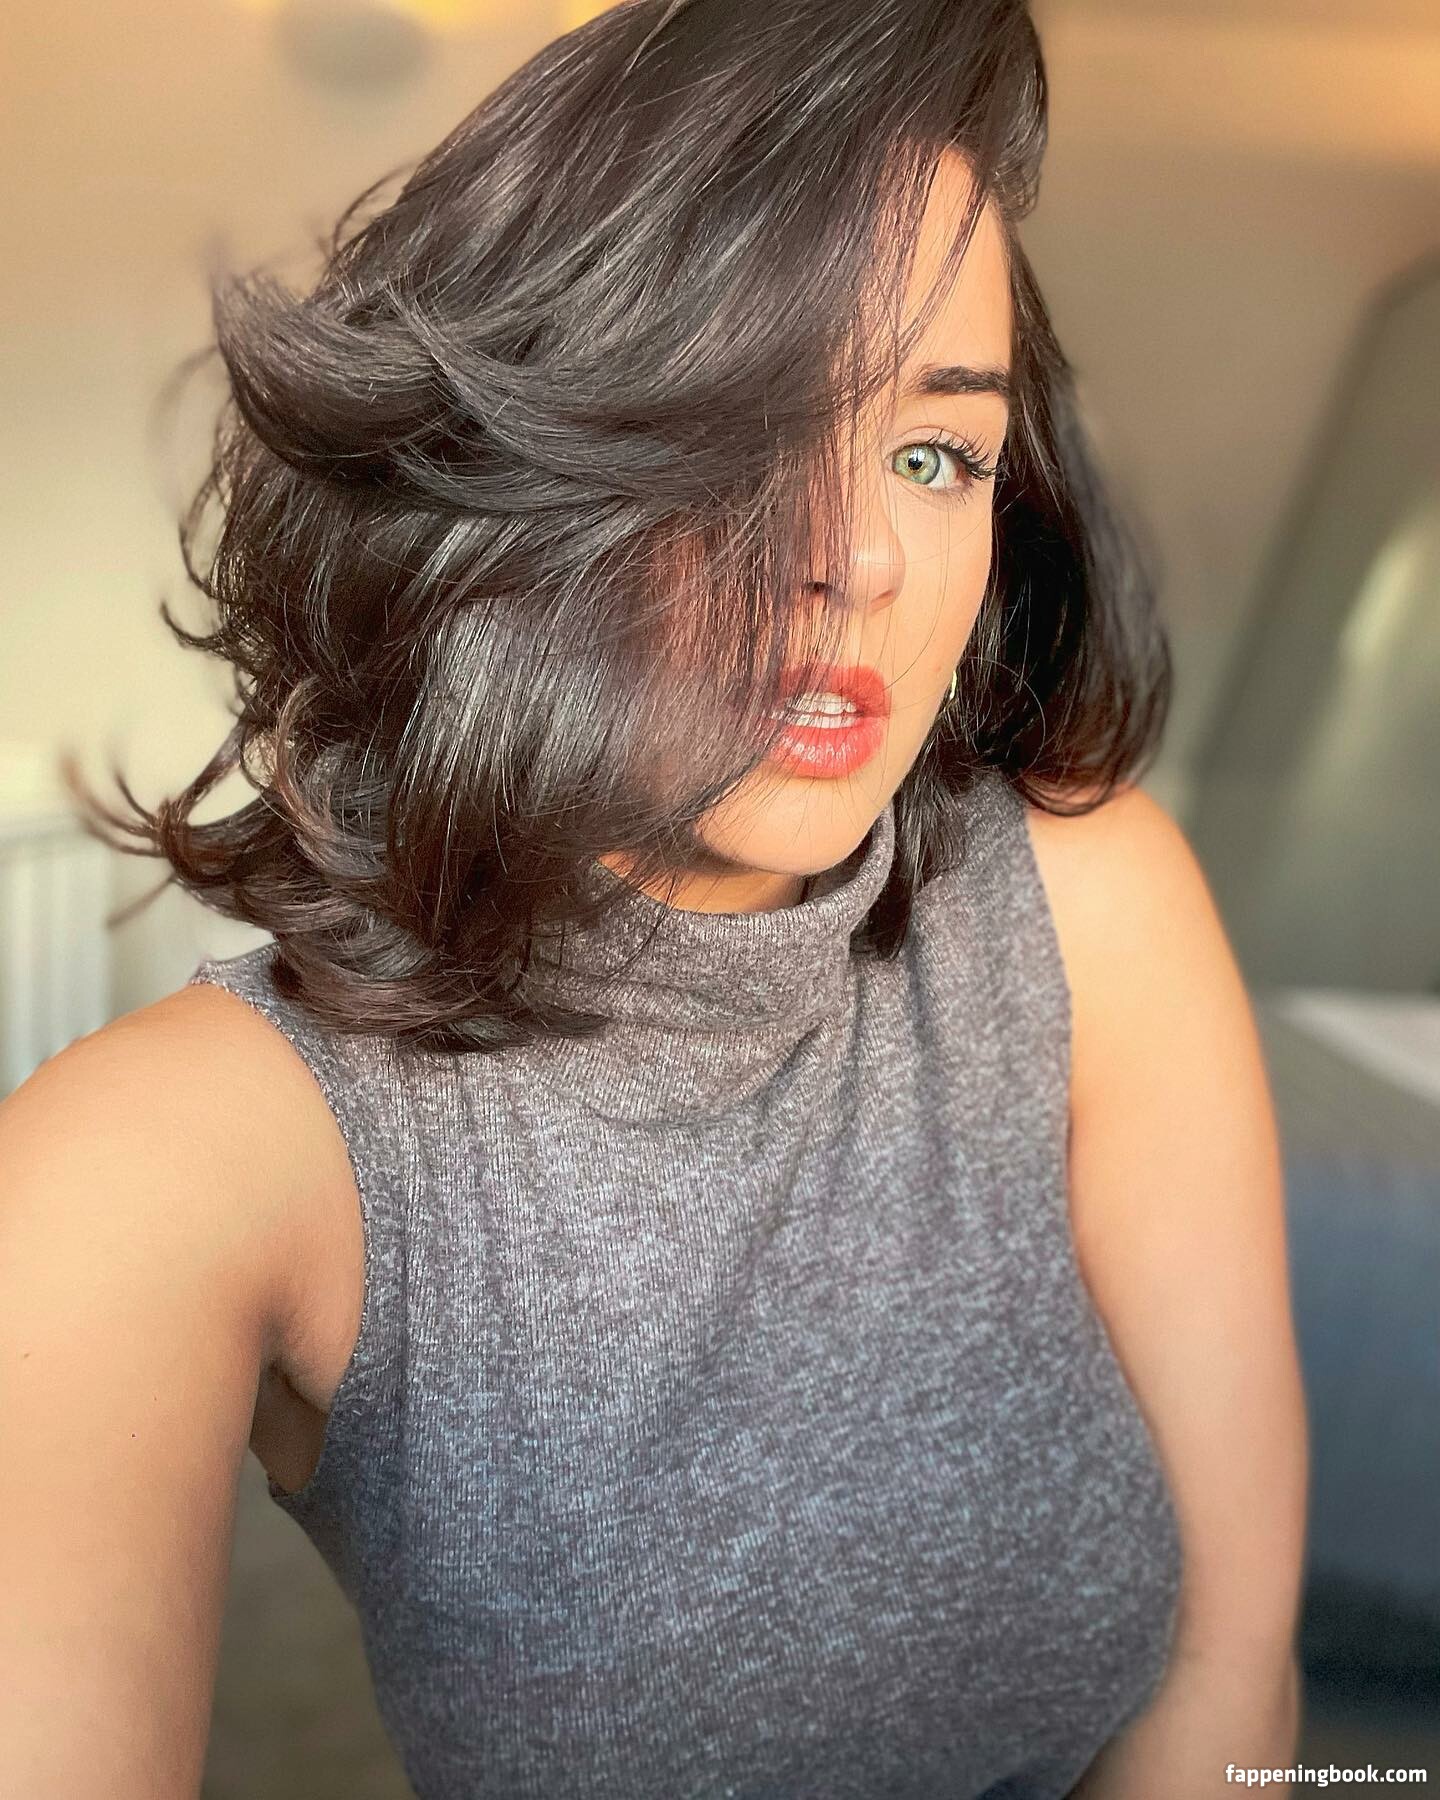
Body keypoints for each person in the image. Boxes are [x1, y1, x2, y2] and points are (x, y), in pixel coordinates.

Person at [1, 1, 1308, 1795]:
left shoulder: (1088, 908)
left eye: (936, 455)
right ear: (519, 464)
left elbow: (1230, 1673)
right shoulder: (180, 1155)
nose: (864, 559)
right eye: (750, 430)